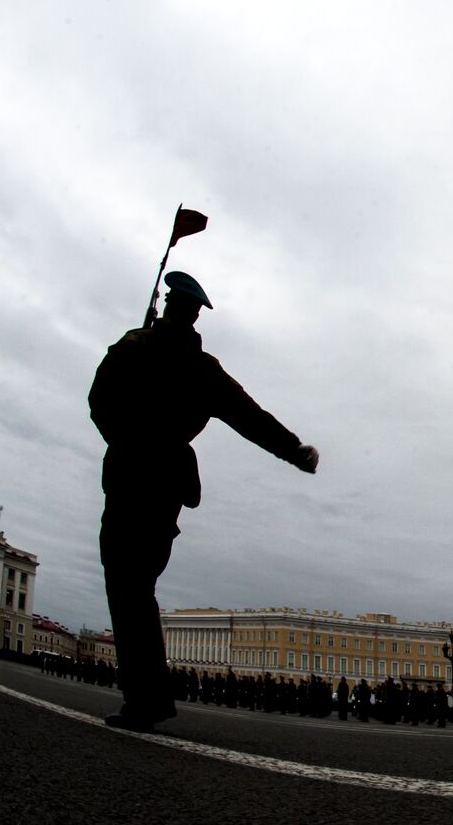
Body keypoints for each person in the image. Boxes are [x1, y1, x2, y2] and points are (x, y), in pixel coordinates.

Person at [88, 271, 319, 732]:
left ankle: (146, 700)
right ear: (195, 317)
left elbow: (98, 400)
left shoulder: (133, 346)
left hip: (131, 474)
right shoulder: (203, 369)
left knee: (126, 585)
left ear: (167, 307)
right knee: (140, 586)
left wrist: (125, 437)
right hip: (169, 482)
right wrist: (294, 450)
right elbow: (249, 416)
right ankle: (147, 698)